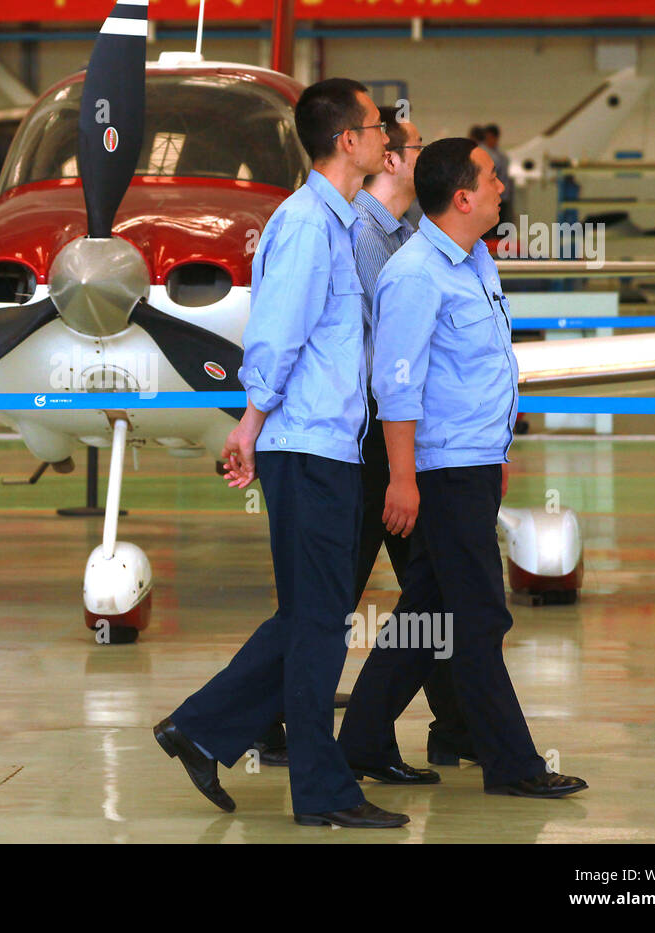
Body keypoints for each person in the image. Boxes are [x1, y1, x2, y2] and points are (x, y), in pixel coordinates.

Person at [153, 78, 409, 829]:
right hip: (307, 447)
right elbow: (277, 335)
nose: (385, 140)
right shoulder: (305, 224)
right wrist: (252, 420)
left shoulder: (332, 221)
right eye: (374, 126)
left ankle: (200, 727)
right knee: (320, 623)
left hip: (324, 444)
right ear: (347, 141)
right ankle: (322, 791)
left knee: (308, 617)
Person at [336, 137, 588, 798]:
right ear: (463, 197)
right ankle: (513, 765)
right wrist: (401, 478)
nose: (504, 185)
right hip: (442, 471)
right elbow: (396, 383)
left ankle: (358, 740)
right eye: (493, 177)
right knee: (479, 620)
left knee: (431, 615)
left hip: (475, 465)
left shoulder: (475, 261)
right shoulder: (416, 273)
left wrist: (497, 454)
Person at [250, 106, 479, 780]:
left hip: (387, 440)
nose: (420, 154)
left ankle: (447, 723)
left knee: (427, 584)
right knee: (335, 595)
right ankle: (272, 723)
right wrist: (256, 417)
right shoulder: (356, 237)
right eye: (410, 143)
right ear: (391, 158)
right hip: (367, 441)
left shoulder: (403, 232)